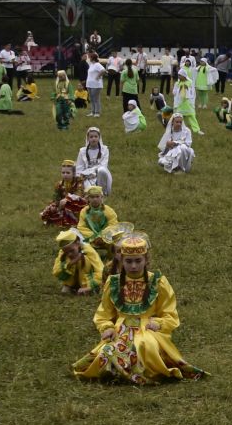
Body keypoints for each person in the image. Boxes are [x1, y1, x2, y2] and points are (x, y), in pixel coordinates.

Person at [73, 232, 206, 383]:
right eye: (129, 261)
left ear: (146, 260)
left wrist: (159, 323)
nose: (134, 266)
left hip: (148, 328)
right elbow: (104, 313)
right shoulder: (114, 283)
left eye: (138, 261)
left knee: (143, 344)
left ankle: (130, 373)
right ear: (121, 260)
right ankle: (117, 372)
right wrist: (107, 327)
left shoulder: (158, 282)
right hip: (120, 329)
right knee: (106, 350)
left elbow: (170, 313)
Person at [53, 229, 103, 295]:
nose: (69, 254)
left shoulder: (89, 251)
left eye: (72, 251)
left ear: (78, 242)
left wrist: (90, 286)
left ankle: (87, 287)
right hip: (74, 281)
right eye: (66, 252)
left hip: (88, 281)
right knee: (66, 261)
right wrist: (69, 264)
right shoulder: (62, 253)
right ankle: (69, 285)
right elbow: (56, 271)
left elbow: (100, 271)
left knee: (83, 259)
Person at [40, 160, 87, 229]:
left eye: (68, 173)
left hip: (77, 205)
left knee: (69, 205)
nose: (65, 175)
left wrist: (67, 199)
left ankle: (74, 221)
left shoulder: (79, 182)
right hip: (62, 205)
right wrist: (55, 204)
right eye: (63, 173)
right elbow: (56, 197)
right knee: (50, 209)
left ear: (73, 173)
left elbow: (78, 195)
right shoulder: (59, 184)